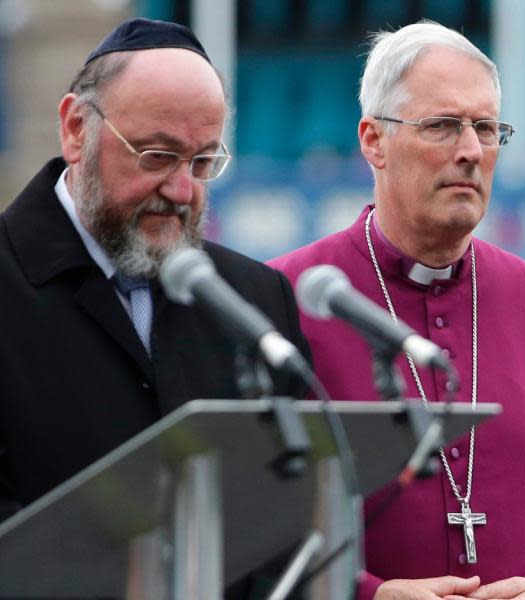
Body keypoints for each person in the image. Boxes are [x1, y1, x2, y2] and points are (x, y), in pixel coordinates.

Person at [269, 21, 525, 600]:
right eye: (443, 126)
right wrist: (368, 594)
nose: (472, 150)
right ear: (373, 140)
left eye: (487, 128)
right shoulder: (284, 299)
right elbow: (253, 527)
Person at [0, 18, 309, 524]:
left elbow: (286, 513)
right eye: (158, 156)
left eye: (203, 161)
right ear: (77, 130)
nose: (183, 190)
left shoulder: (254, 299)